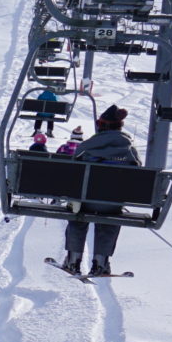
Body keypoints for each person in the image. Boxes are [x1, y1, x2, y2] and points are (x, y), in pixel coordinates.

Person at [61, 105, 139, 277]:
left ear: (101, 126)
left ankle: (73, 260)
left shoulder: (88, 146)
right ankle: (101, 263)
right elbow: (137, 177)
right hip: (111, 204)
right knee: (110, 218)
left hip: (86, 202)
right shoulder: (129, 149)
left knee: (77, 216)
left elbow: (72, 170)